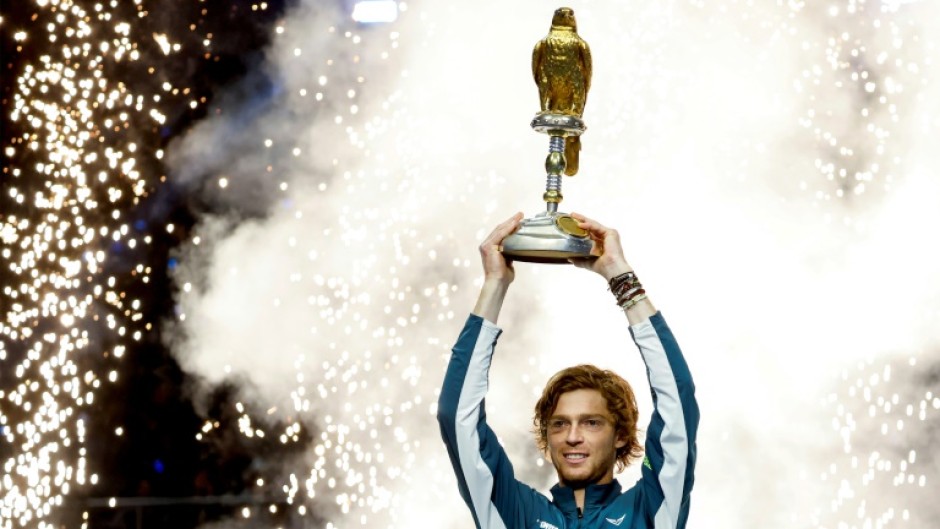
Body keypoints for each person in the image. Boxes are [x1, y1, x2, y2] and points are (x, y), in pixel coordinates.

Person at [437, 212, 699, 529]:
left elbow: (677, 401)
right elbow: (457, 416)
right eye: (560, 424)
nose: (572, 437)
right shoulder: (513, 513)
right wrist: (495, 284)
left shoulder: (651, 509)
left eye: (591, 422)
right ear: (547, 435)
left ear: (620, 435)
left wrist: (620, 275)